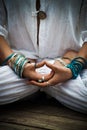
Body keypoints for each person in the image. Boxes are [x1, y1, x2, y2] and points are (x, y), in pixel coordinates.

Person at [0, 0, 87, 113]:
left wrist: (73, 68)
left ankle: (33, 88)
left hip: (68, 69)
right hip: (16, 68)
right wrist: (18, 63)